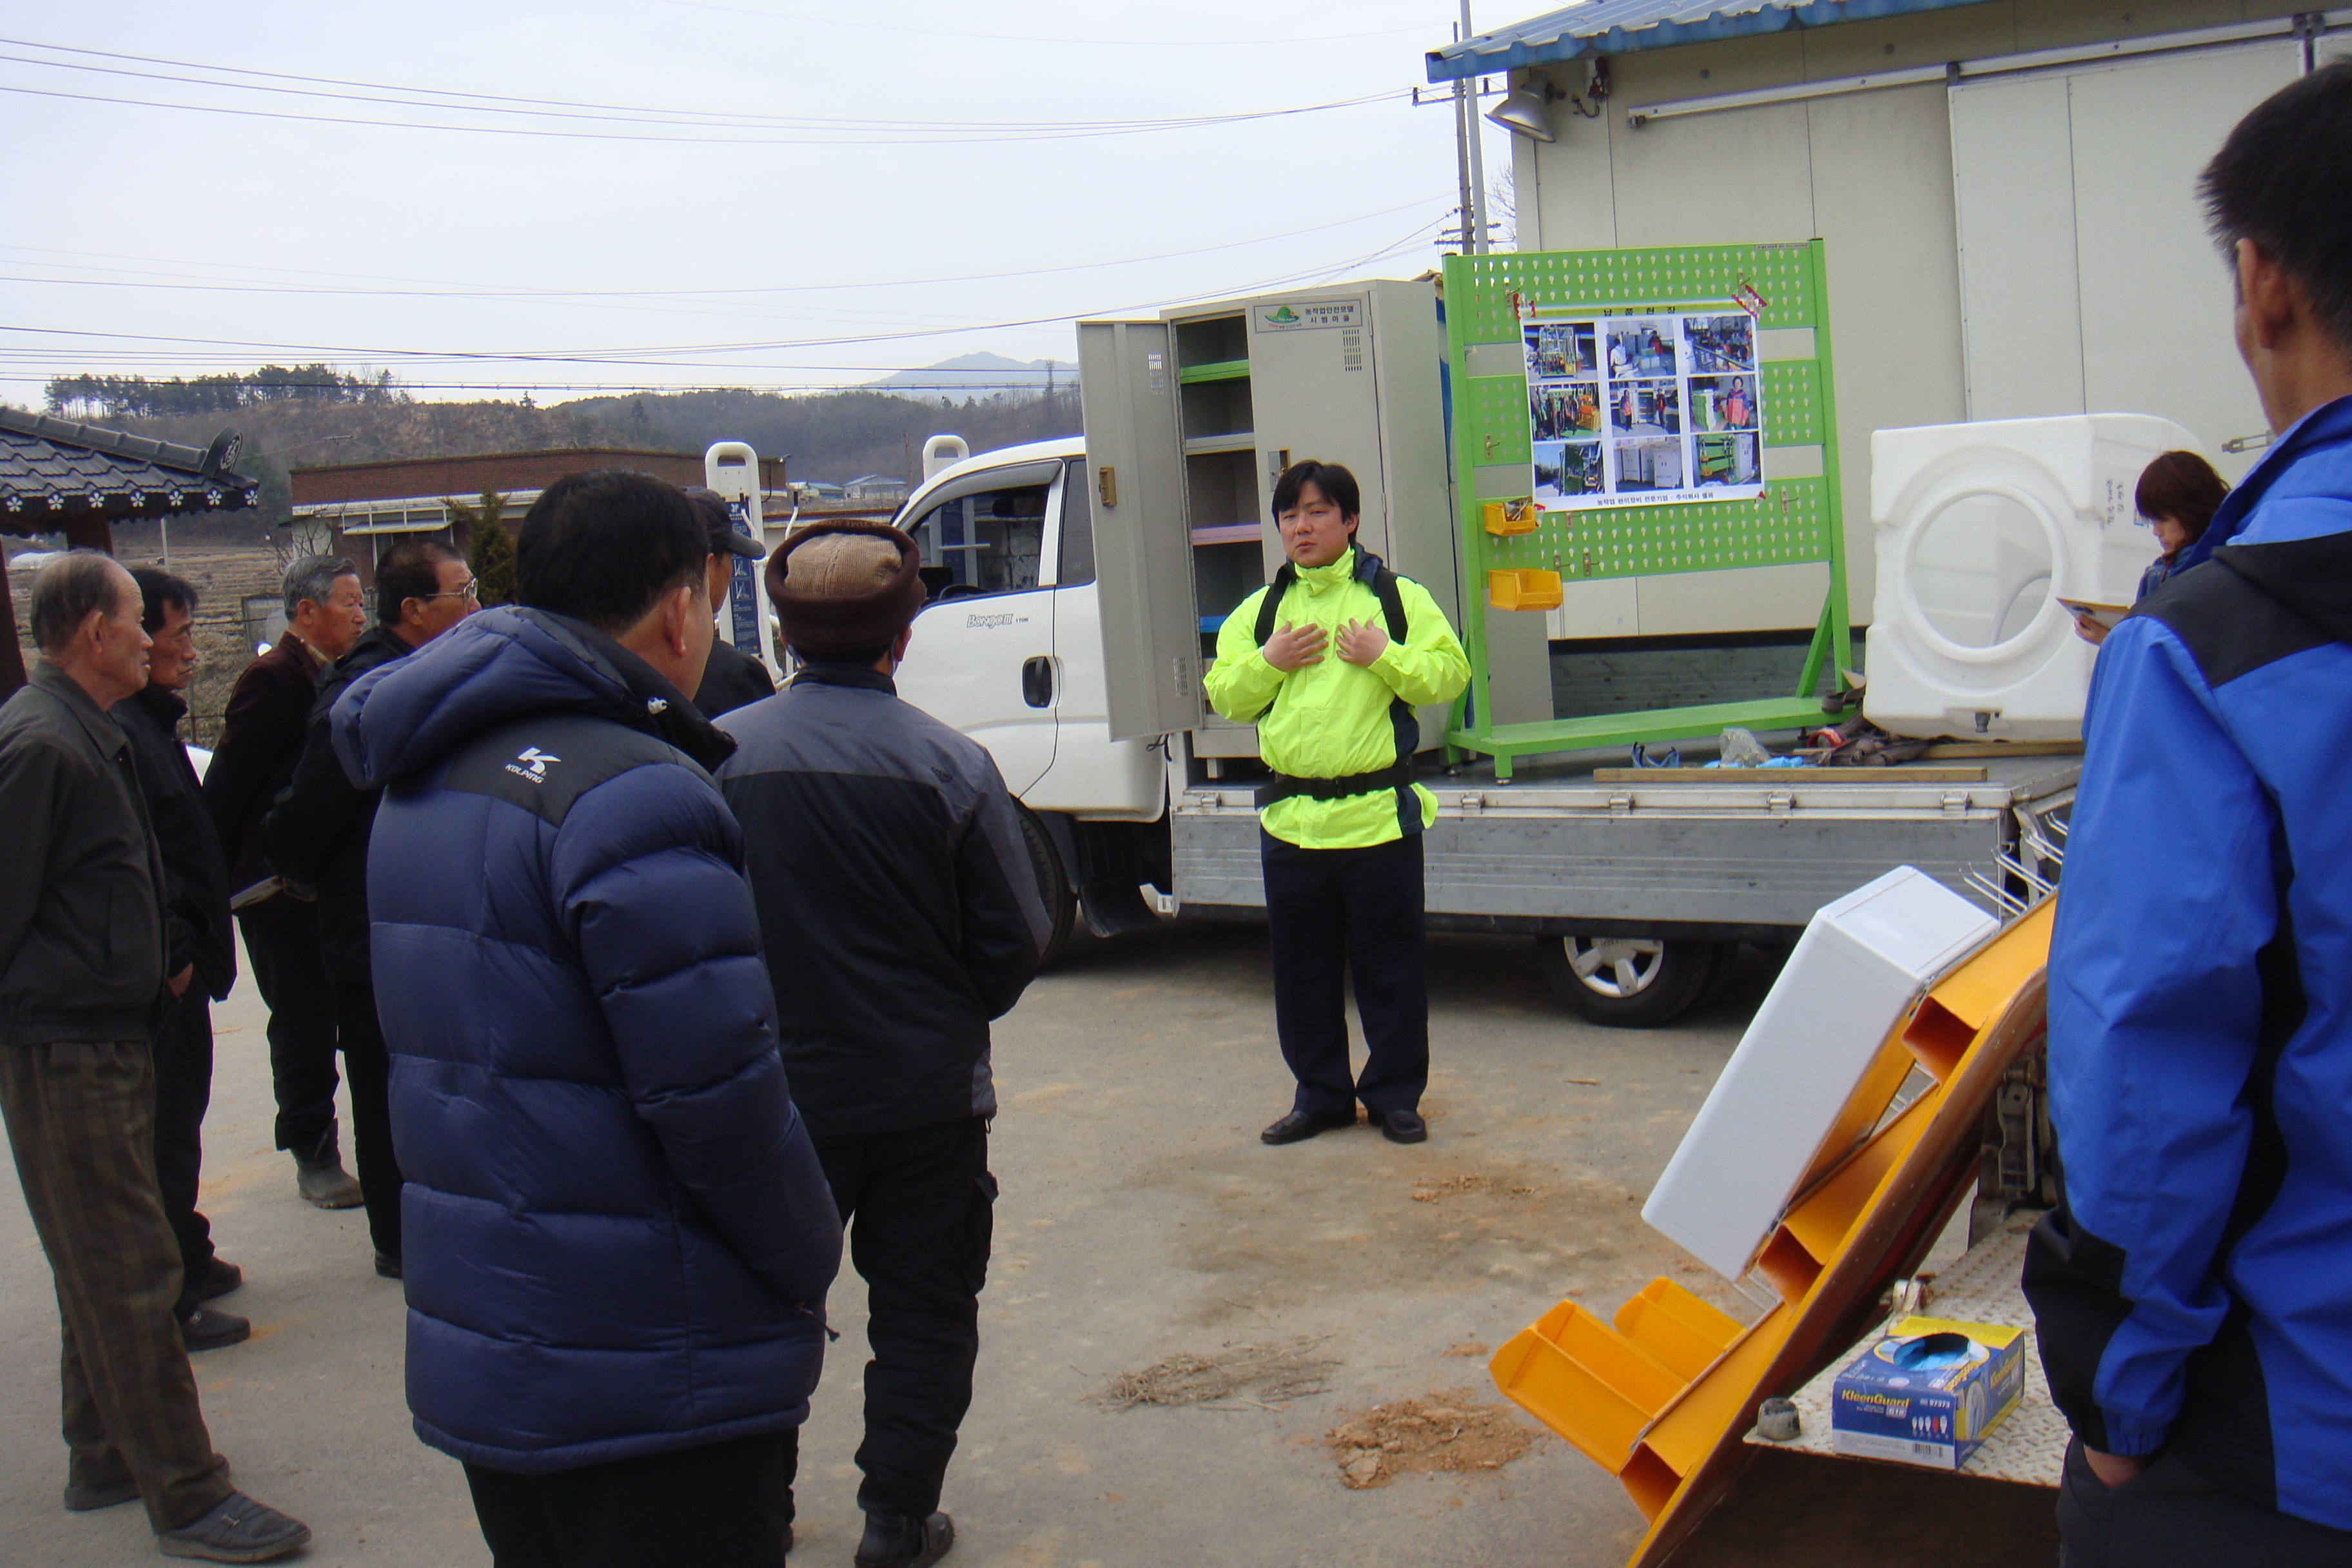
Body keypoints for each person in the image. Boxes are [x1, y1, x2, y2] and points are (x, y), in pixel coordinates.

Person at [332, 470, 841, 1568]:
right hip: (650, 1359)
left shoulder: (429, 770)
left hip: (497, 1334)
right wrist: (809, 1250)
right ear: (677, 605)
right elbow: (718, 1096)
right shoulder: (634, 792)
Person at [2022, 61, 2352, 1565]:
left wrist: (2116, 1395)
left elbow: (2147, 1055)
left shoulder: (2217, 641)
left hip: (2293, 1426)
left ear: (2262, 282)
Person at [716, 520, 1048, 1568]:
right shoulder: (951, 764)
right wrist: (940, 1013)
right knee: (923, 1304)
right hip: (920, 1096)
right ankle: (895, 1518)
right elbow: (1019, 936)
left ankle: (753, 1516)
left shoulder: (712, 757)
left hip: (762, 1097)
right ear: (901, 635)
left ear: (782, 628)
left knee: (758, 1307)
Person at [0, 551, 310, 1563]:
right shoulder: (41, 744)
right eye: (139, 619)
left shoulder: (91, 732)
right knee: (132, 1265)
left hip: (108, 1027)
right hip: (65, 1041)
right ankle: (187, 1493)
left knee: (102, 1253)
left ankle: (103, 1453)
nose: (155, 634)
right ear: (91, 631)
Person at [1202, 461, 1469, 1147]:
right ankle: (1320, 1096)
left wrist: (1385, 654)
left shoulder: (1394, 595)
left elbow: (1449, 672)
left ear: (1349, 521)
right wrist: (1271, 660)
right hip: (1292, 823)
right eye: (1290, 515)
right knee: (1302, 977)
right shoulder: (1262, 612)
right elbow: (1225, 693)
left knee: (1393, 971)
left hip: (1378, 818)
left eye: (1317, 512)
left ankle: (1394, 1095)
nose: (1302, 526)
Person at [264, 537, 474, 1280]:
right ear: (414, 610)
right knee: (389, 1088)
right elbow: (303, 815)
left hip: (441, 919)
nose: (475, 605)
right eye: (462, 592)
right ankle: (402, 1241)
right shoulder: (366, 693)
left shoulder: (446, 675)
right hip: (374, 926)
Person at [202, 553, 368, 1209]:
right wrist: (217, 885)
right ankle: (312, 1149)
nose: (360, 614)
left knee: (329, 1017)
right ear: (306, 611)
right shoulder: (273, 680)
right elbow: (229, 786)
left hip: (318, 889)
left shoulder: (328, 674)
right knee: (301, 1023)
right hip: (276, 895)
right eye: (349, 602)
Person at [113, 568, 247, 1351]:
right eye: (177, 633)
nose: (189, 651)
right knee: (162, 1137)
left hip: (183, 962)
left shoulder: (148, 722)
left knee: (180, 1128)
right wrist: (175, 956)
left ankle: (187, 1250)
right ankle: (174, 1294)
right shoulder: (114, 733)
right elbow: (132, 861)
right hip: (163, 974)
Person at [2072, 450, 2230, 645]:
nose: (2156, 531)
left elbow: (2171, 654)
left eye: (2163, 520)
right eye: (2152, 521)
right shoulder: (2228, 559)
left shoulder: (2194, 573)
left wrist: (2115, 641)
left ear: (2193, 511)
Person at [682, 486, 778, 718]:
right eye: (731, 560)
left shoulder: (617, 659)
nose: (731, 572)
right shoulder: (737, 677)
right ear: (708, 566)